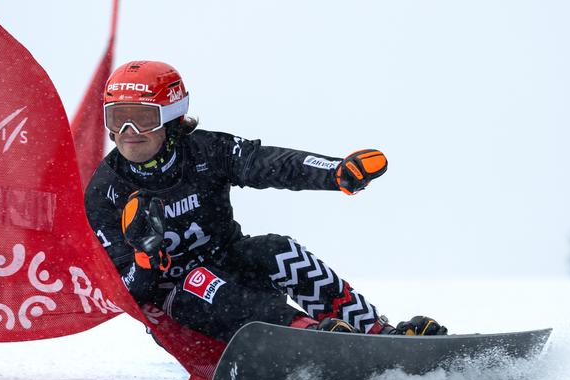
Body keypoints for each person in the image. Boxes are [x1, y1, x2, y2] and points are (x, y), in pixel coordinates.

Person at [85, 60, 447, 346]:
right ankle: (306, 334)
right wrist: (145, 257)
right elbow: (128, 291)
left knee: (277, 248)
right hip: (177, 301)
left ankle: (374, 334)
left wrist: (336, 172)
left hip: (229, 263)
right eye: (118, 119)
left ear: (172, 116)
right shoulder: (105, 190)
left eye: (143, 119)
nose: (128, 134)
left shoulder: (207, 151)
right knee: (199, 281)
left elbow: (272, 164)